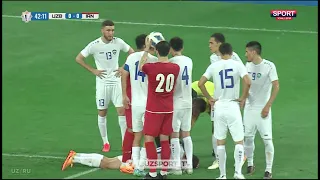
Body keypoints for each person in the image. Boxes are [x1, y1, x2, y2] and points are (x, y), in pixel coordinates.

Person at [75, 20, 135, 152]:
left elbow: (131, 52)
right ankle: (105, 142)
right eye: (108, 30)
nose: (111, 33)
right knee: (102, 112)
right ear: (102, 30)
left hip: (116, 82)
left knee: (121, 111)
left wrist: (124, 67)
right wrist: (93, 70)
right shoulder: (94, 45)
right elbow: (78, 58)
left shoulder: (118, 42)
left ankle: (125, 143)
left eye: (113, 30)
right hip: (102, 83)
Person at [198, 42, 251, 179]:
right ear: (232, 52)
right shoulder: (237, 65)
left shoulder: (214, 66)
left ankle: (222, 175)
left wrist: (209, 98)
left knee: (220, 142)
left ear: (220, 53)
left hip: (219, 106)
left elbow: (200, 83)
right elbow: (248, 81)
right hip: (233, 105)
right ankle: (238, 173)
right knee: (239, 141)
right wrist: (243, 97)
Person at [139, 39, 180, 179]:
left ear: (156, 51)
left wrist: (146, 49)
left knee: (149, 139)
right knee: (164, 140)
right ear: (169, 51)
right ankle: (163, 173)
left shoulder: (151, 67)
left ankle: (151, 173)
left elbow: (141, 66)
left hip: (153, 109)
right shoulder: (175, 68)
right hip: (168, 109)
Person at [122, 34, 158, 176]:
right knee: (148, 136)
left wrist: (124, 94)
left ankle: (135, 165)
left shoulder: (131, 58)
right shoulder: (154, 60)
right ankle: (141, 166)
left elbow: (124, 74)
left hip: (135, 103)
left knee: (137, 135)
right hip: (149, 104)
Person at [243, 41, 279, 179]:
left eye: (247, 52)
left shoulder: (269, 66)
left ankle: (268, 170)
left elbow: (276, 86)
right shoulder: (247, 65)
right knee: (248, 137)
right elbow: (246, 85)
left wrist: (268, 106)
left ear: (253, 52)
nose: (245, 54)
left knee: (267, 140)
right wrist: (243, 99)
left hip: (263, 109)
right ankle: (250, 164)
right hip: (249, 108)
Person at [168, 37, 193, 175]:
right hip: (188, 101)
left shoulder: (171, 62)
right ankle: (188, 165)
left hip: (176, 101)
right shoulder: (189, 61)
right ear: (182, 48)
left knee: (175, 135)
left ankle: (177, 166)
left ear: (171, 48)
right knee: (187, 134)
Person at [61, 150, 200, 172]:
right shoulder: (174, 155)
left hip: (139, 157)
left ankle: (76, 156)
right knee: (108, 163)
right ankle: (75, 157)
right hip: (137, 157)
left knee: (108, 163)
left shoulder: (175, 153)